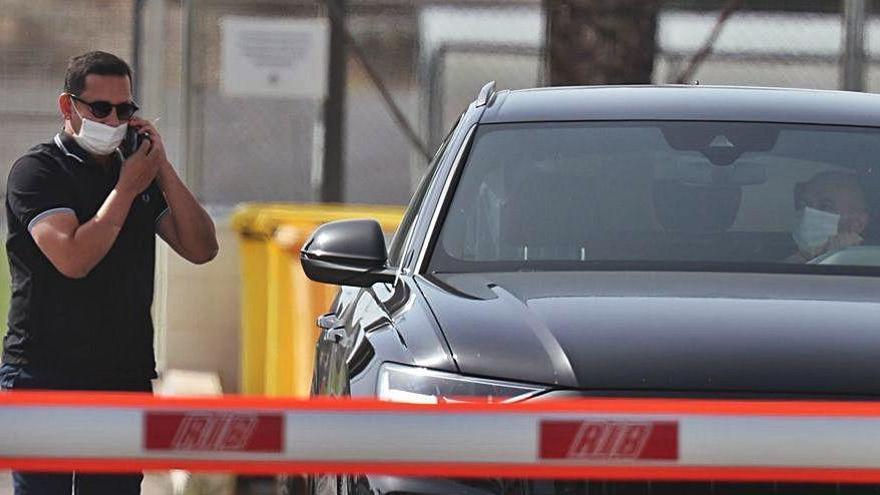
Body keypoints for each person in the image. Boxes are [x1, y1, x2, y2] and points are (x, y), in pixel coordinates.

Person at [0, 51, 218, 494]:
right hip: (45, 372)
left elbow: (202, 247)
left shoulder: (136, 171)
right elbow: (73, 258)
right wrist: (126, 189)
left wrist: (161, 168)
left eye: (125, 110)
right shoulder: (37, 171)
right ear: (69, 107)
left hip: (122, 372)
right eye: (100, 109)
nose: (113, 119)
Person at [788, 170, 869, 263]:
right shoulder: (784, 266)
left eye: (825, 206)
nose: (808, 213)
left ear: (858, 223)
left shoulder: (869, 266)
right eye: (804, 204)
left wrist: (842, 257)